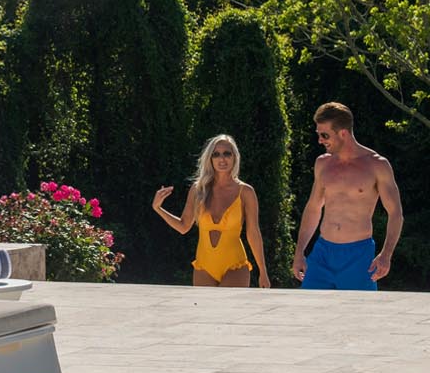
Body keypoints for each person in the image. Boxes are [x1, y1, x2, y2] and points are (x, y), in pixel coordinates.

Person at [292, 101, 403, 290]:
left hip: (358, 255)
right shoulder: (323, 164)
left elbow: (395, 214)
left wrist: (386, 254)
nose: (320, 140)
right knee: (307, 312)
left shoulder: (377, 165)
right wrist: (299, 251)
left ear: (343, 133)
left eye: (324, 135)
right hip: (322, 253)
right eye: (318, 134)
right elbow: (313, 208)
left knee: (360, 316)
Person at [152, 134, 271, 288]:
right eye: (216, 154)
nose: (222, 159)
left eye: (227, 153)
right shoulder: (198, 190)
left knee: (227, 311)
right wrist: (158, 208)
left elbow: (253, 233)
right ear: (210, 159)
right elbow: (183, 226)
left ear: (235, 157)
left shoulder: (246, 192)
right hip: (204, 266)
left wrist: (263, 271)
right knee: (204, 312)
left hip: (235, 266)